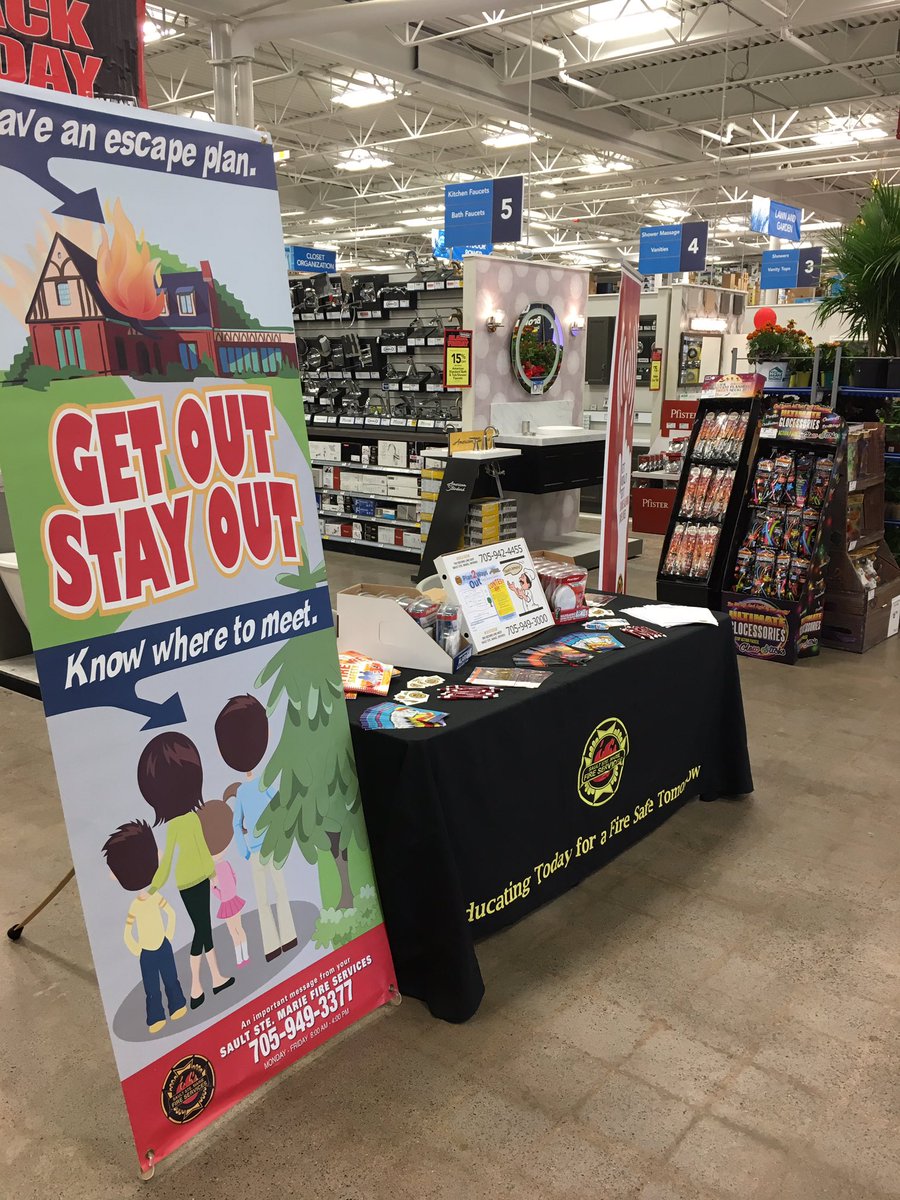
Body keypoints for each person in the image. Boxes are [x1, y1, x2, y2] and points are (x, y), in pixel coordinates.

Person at [139, 732, 234, 1010]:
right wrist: (154, 888)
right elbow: (193, 853)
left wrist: (156, 886)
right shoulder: (188, 821)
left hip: (189, 881)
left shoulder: (178, 823)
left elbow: (171, 860)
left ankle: (213, 979)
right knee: (202, 930)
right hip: (195, 880)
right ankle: (196, 986)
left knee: (203, 929)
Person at [215, 695, 297, 963]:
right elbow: (237, 823)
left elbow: (279, 808)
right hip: (259, 852)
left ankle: (284, 939)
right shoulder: (247, 792)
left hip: (266, 850)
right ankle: (276, 943)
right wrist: (245, 850)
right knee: (268, 896)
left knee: (275, 893)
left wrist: (253, 845)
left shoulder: (261, 787)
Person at [102, 819, 186, 1034]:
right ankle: (156, 1016)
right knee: (151, 987)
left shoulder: (155, 897)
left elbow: (170, 913)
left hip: (162, 945)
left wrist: (168, 934)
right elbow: (128, 930)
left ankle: (177, 1005)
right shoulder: (135, 905)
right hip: (147, 951)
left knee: (170, 978)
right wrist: (137, 948)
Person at [198, 798, 249, 968]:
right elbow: (233, 878)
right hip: (232, 900)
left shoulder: (216, 870)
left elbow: (220, 891)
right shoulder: (225, 865)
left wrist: (214, 888)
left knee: (234, 931)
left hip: (228, 902)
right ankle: (243, 955)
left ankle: (242, 957)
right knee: (238, 930)